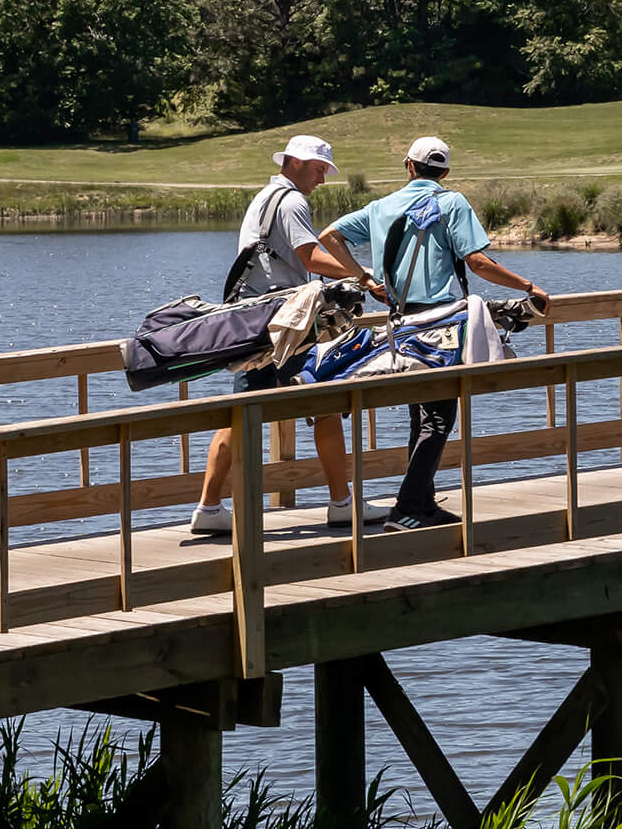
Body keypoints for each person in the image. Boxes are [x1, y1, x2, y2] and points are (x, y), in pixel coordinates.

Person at [318, 136, 552, 530]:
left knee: (420, 415)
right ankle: (407, 508)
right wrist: (529, 288)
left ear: (408, 166)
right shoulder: (451, 202)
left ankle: (422, 503)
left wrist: (364, 278)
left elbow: (329, 237)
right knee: (439, 418)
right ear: (444, 172)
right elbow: (477, 262)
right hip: (442, 324)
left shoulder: (380, 207)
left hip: (401, 321)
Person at [190, 135, 377, 534]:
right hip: (285, 323)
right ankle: (342, 503)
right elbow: (310, 257)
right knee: (323, 399)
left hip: (255, 322)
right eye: (318, 170)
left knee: (240, 414)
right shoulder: (292, 202)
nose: (322, 180)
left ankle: (208, 508)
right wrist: (360, 276)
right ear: (294, 163)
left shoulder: (263, 199)